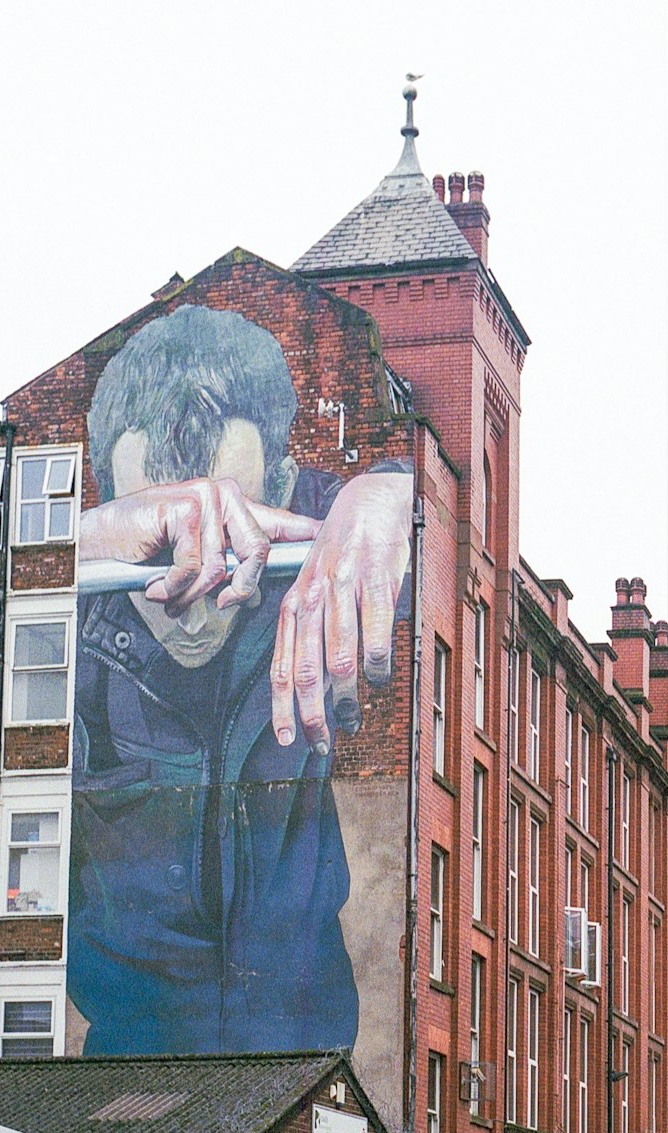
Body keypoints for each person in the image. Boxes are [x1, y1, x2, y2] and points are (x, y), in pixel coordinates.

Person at [68, 304, 413, 1054]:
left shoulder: (315, 535)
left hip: (309, 1072)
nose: (192, 601)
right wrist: (78, 544)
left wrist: (389, 493)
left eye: (231, 542)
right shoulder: (64, 601)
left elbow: (449, 529)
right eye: (159, 552)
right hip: (121, 1083)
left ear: (284, 491)